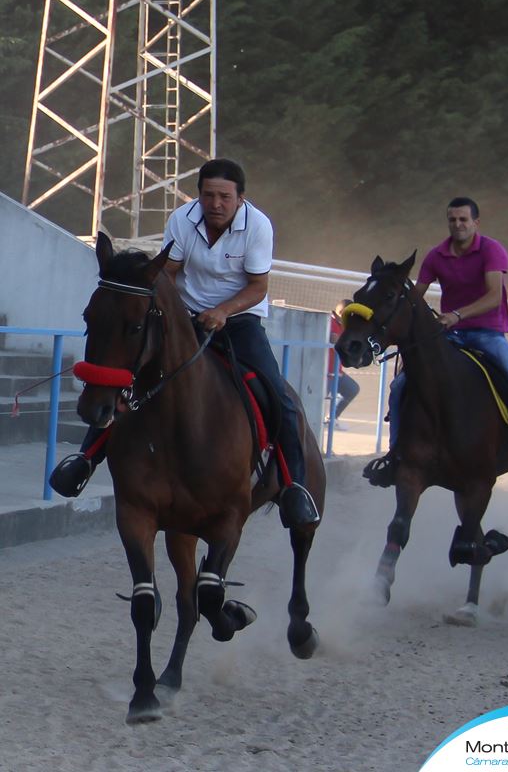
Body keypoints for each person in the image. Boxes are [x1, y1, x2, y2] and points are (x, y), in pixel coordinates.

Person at [50, 158, 320, 528]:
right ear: (199, 196)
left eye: (225, 196)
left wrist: (224, 311)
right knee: (128, 377)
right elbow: (169, 273)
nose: (216, 204)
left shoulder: (258, 226)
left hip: (239, 321)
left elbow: (258, 286)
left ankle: (294, 487)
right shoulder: (182, 220)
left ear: (240, 198)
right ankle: (84, 459)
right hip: (186, 318)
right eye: (208, 195)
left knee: (278, 395)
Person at [364, 196, 508, 486]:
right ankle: (396, 454)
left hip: (487, 333)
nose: (457, 225)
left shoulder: (491, 250)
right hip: (449, 335)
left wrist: (457, 315)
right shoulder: (436, 256)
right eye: (452, 219)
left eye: (463, 219)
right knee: (399, 387)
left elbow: (494, 296)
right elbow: (413, 298)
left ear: (475, 223)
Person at [325, 299, 361, 430]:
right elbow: (334, 340)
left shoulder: (343, 326)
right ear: (341, 313)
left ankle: (332, 418)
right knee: (319, 399)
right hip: (326, 373)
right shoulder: (329, 322)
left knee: (352, 389)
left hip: (337, 372)